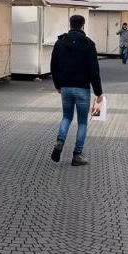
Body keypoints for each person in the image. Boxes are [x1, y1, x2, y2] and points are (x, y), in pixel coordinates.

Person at [49, 14, 104, 167]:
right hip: (82, 89)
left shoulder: (60, 43)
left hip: (65, 87)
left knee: (66, 117)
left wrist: (58, 85)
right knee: (82, 123)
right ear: (83, 25)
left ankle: (60, 141)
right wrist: (98, 92)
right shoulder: (88, 44)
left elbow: (53, 66)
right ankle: (77, 155)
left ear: (70, 24)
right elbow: (94, 69)